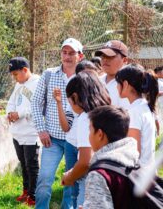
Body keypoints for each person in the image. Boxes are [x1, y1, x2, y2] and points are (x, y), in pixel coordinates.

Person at [31, 37, 84, 209]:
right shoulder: (48, 74)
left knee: (71, 183)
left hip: (75, 140)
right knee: (45, 179)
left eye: (71, 53)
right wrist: (41, 130)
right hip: (52, 138)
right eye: (64, 52)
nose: (67, 57)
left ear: (80, 56)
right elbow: (36, 103)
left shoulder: (84, 77)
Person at [55, 71, 111, 207]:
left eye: (70, 101)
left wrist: (70, 177)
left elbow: (86, 161)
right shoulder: (107, 112)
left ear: (75, 97)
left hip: (91, 184)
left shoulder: (85, 118)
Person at [83, 105, 140, 208]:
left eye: (90, 130)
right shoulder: (133, 161)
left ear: (100, 134)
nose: (89, 135)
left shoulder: (99, 175)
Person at [6, 57, 40, 206]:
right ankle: (26, 190)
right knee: (23, 163)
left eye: (15, 74)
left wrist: (19, 114)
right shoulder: (18, 84)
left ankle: (34, 195)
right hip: (18, 132)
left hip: (31, 132)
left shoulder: (38, 82)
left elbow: (38, 105)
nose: (14, 78)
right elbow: (11, 101)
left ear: (25, 70)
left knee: (31, 165)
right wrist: (10, 113)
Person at [115, 64, 159, 168]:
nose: (116, 87)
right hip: (147, 171)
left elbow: (134, 152)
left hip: (138, 175)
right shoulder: (144, 106)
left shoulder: (134, 112)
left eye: (117, 83)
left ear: (125, 84)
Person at [95, 40, 130, 108]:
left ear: (125, 60)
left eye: (110, 56)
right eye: (103, 56)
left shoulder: (128, 84)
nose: (105, 59)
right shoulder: (98, 80)